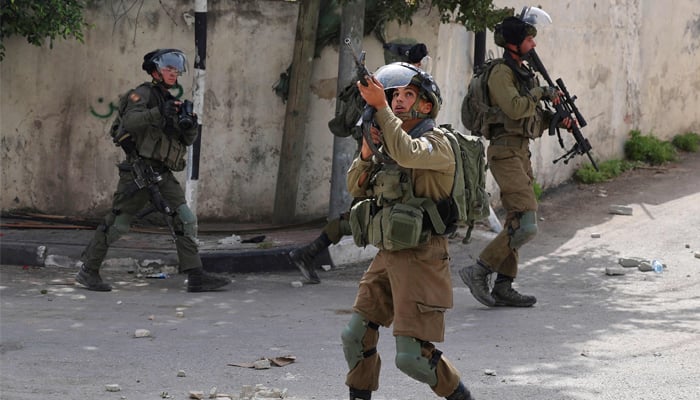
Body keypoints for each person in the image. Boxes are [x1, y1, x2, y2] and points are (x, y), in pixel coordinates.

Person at [340, 63, 474, 400]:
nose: (397, 101)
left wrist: (381, 108)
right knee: (355, 336)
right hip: (388, 254)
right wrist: (367, 153)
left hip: (422, 255)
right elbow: (355, 188)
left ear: (426, 105)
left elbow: (407, 152)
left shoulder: (436, 143)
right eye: (393, 95)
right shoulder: (389, 144)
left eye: (408, 95)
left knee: (412, 358)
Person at [76, 48, 230, 293]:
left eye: (176, 69)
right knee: (118, 224)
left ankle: (196, 276)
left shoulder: (169, 100)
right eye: (168, 68)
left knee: (185, 219)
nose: (173, 72)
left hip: (162, 173)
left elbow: (185, 141)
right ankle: (88, 270)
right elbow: (129, 122)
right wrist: (159, 112)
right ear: (155, 71)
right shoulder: (142, 95)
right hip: (137, 173)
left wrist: (189, 123)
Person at [289, 43, 430, 284]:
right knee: (360, 213)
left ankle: (310, 253)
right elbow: (374, 126)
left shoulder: (395, 85)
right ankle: (308, 253)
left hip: (390, 157)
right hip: (379, 157)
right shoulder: (386, 88)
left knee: (363, 212)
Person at [458, 8, 569, 307]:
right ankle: (479, 271)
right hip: (504, 151)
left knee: (517, 220)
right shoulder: (500, 73)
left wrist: (557, 120)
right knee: (528, 223)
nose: (534, 45)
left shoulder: (521, 73)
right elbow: (517, 108)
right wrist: (541, 93)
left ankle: (504, 286)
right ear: (515, 42)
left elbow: (530, 119)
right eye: (530, 39)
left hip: (520, 151)